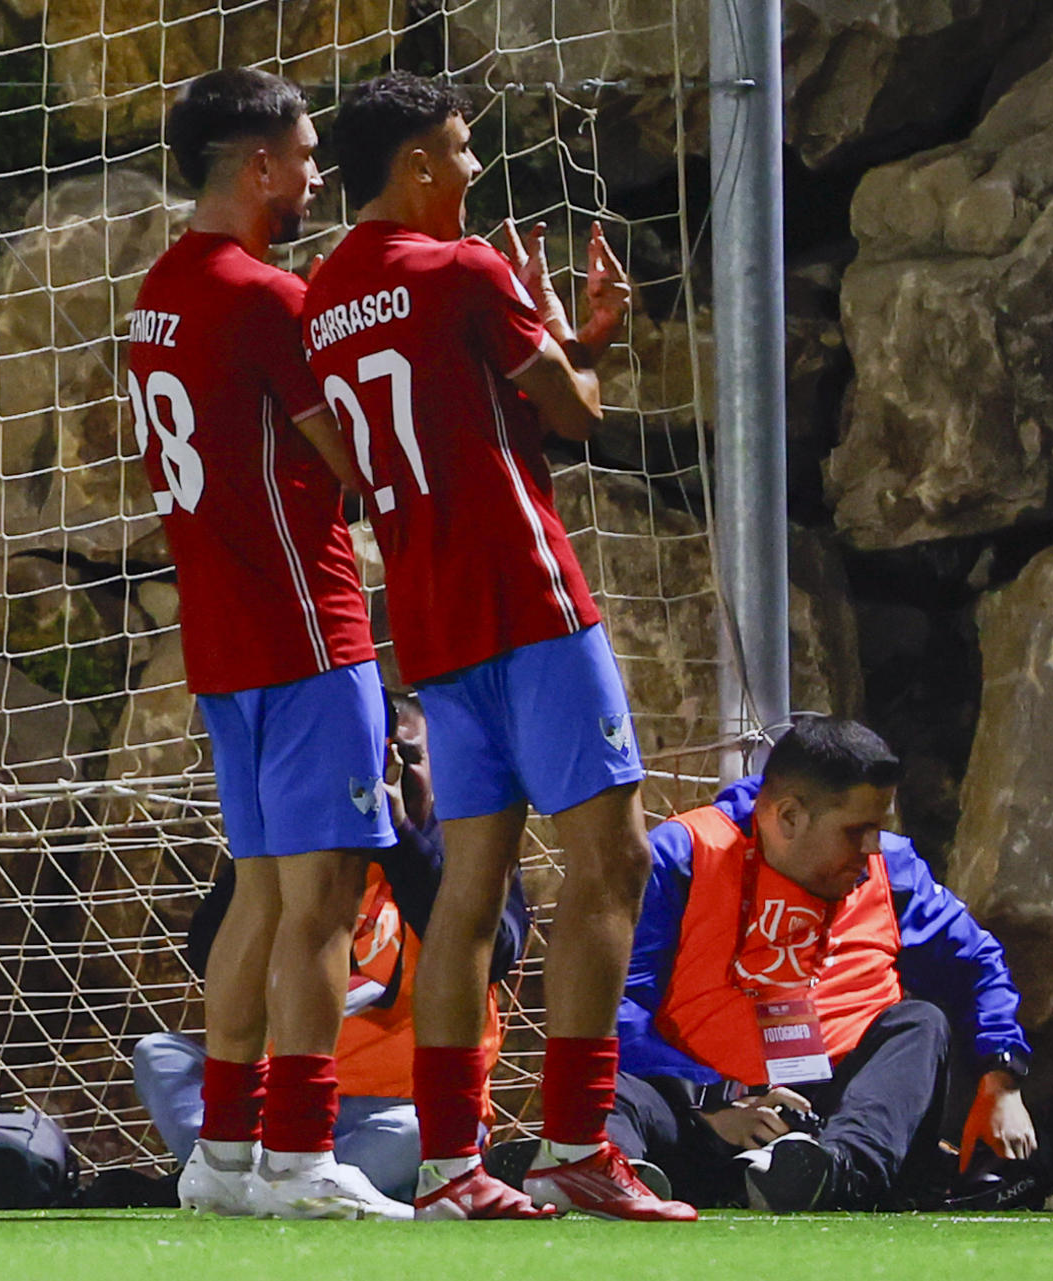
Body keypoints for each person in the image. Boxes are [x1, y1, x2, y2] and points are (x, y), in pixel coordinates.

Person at [304, 71, 690, 1220]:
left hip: (428, 623)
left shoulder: (322, 301)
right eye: (461, 151)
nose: (473, 172)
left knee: (468, 889)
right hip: (530, 602)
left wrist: (552, 363)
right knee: (612, 858)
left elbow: (456, 426)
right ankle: (576, 1142)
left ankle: (452, 1167)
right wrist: (588, 346)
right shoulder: (463, 270)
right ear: (417, 163)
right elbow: (573, 416)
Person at [124, 66, 407, 1221]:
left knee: (254, 896)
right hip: (307, 631)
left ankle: (224, 1158)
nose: (313, 176)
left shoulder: (158, 293)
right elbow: (357, 456)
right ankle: (298, 1157)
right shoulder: (265, 298)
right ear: (255, 167)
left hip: (223, 639)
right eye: (301, 156)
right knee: (323, 901)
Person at [611, 716, 1037, 1212]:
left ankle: (830, 1178)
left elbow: (977, 964)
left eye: (879, 829)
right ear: (789, 817)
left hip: (834, 1123)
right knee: (605, 1084)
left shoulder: (893, 870)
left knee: (921, 1023)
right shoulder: (682, 856)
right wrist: (713, 1103)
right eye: (857, 831)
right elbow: (620, 1002)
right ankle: (608, 1168)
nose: (871, 849)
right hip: (703, 1113)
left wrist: (1001, 1081)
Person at [134, 691, 528, 1203]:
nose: (388, 774)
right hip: (286, 1099)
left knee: (427, 1137)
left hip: (403, 1110)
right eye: (372, 762)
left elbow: (497, 950)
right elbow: (208, 952)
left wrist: (401, 835)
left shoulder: (466, 847)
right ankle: (279, 1176)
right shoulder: (304, 852)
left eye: (407, 758)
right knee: (160, 1056)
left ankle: (261, 1180)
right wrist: (277, 835)